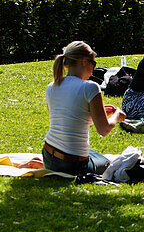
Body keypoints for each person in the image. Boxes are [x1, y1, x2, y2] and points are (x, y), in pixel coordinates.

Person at [43, 41, 125, 175]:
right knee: (109, 164)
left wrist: (98, 111)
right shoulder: (90, 87)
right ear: (83, 61)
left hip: (49, 156)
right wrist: (116, 116)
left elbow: (69, 119)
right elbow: (103, 130)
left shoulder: (51, 86)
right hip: (73, 164)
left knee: (93, 153)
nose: (93, 68)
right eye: (93, 63)